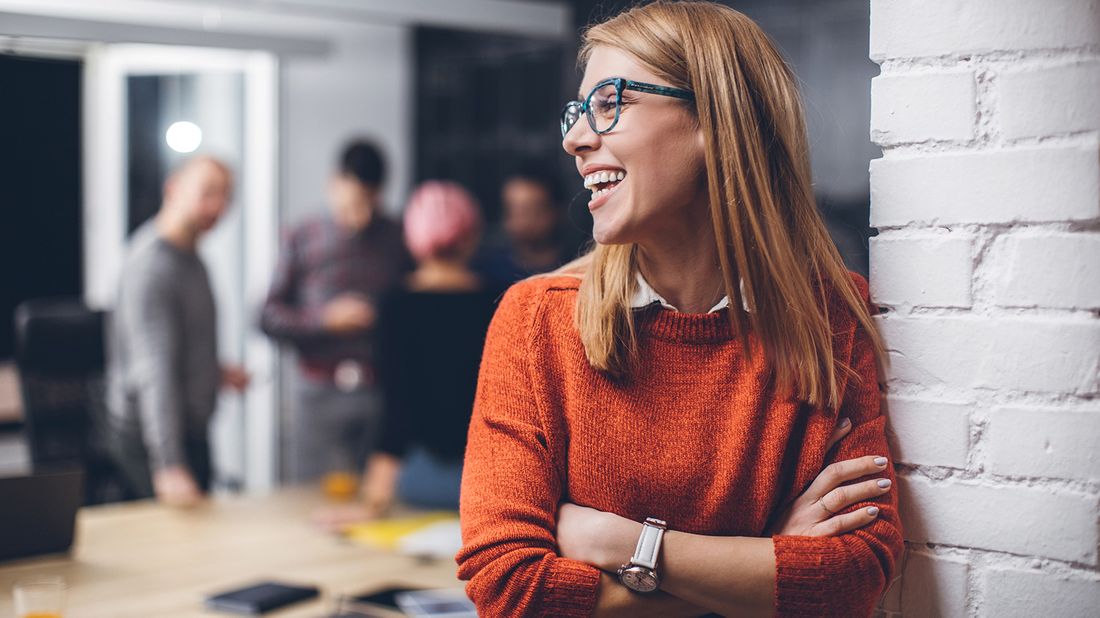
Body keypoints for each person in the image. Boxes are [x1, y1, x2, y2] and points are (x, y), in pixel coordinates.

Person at [455, 2, 903, 617]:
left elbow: (854, 577)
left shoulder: (831, 317)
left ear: (715, 121)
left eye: (609, 104)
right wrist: (764, 556)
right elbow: (510, 588)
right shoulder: (536, 321)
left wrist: (626, 545)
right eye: (579, 112)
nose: (575, 138)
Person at [314, 181, 499, 528]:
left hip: (422, 480)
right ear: (471, 234)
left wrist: (372, 502)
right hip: (491, 480)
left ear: (412, 237)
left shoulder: (397, 305)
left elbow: (396, 409)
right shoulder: (501, 300)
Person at [260, 139, 411, 482]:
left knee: (378, 500)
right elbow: (267, 316)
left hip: (379, 391)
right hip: (317, 392)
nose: (363, 215)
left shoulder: (396, 236)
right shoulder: (302, 235)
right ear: (334, 184)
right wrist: (324, 320)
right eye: (355, 201)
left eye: (371, 202)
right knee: (309, 496)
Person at [105, 156, 250, 508]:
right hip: (152, 441)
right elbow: (154, 371)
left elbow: (177, 348)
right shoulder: (151, 267)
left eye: (226, 197)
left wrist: (212, 372)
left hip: (190, 431)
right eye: (209, 192)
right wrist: (169, 463)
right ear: (172, 188)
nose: (218, 206)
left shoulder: (193, 259)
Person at [474, 164, 584, 288]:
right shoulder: (487, 274)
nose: (521, 221)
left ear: (557, 211)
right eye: (512, 211)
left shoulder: (577, 270)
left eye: (532, 211)